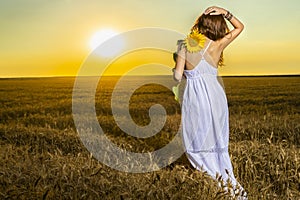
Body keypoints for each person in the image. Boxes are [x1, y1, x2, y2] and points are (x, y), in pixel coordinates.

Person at [172, 6, 247, 199]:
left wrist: (176, 61)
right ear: (218, 26)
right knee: (217, 137)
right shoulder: (217, 45)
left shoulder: (184, 45)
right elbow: (239, 27)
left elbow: (177, 77)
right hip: (215, 96)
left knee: (197, 138)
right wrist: (226, 12)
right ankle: (227, 181)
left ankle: (212, 177)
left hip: (195, 97)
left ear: (200, 23)